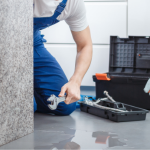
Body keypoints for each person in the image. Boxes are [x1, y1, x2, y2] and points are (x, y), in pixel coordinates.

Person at [33, 0, 93, 115]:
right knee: (21, 107)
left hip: (31, 42)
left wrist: (75, 81)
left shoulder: (73, 3)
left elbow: (85, 45)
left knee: (65, 105)